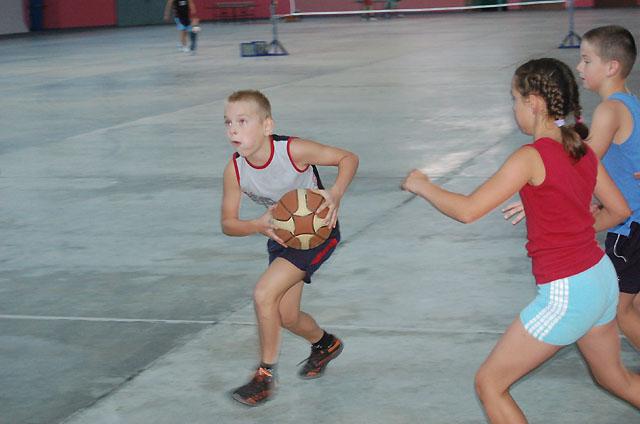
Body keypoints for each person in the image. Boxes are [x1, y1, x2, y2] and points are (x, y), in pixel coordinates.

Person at [401, 58, 640, 422]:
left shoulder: (530, 157)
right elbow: (619, 210)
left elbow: (468, 210)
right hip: (601, 278)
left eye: (514, 98)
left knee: (490, 384)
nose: (513, 108)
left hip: (569, 291)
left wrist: (423, 186)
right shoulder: (581, 148)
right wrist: (573, 229)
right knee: (616, 379)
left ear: (534, 102)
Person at [505, 26, 640, 352]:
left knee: (622, 311)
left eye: (586, 60)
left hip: (628, 227)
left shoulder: (610, 110)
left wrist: (544, 190)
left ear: (611, 67)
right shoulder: (631, 101)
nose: (579, 68)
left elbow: (581, 160)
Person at [221, 90, 359, 406]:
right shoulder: (235, 170)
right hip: (281, 237)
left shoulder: (292, 150)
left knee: (263, 294)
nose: (233, 129)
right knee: (286, 315)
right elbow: (228, 223)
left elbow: (347, 158)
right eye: (228, 122)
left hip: (318, 233)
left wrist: (335, 193)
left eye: (243, 121)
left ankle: (264, 377)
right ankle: (326, 344)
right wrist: (256, 225)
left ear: (267, 125)